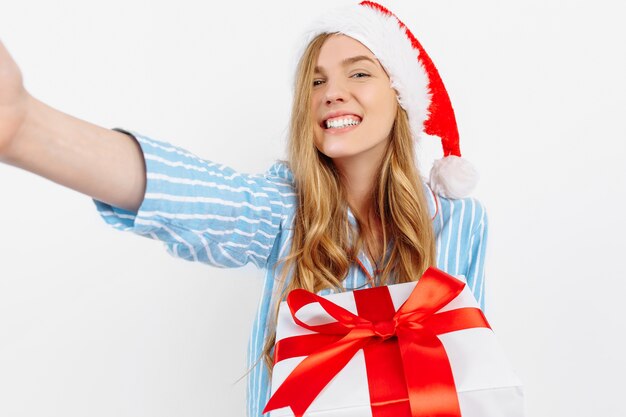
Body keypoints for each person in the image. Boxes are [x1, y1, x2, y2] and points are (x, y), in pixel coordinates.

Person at [0, 2, 487, 416]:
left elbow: (472, 370)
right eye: (315, 83)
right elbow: (198, 197)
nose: (331, 92)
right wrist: (24, 126)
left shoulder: (460, 221)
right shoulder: (285, 211)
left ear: (402, 96)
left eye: (359, 72)